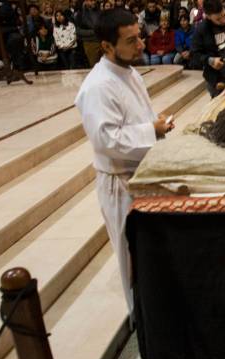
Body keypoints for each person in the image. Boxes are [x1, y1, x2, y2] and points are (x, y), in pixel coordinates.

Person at [74, 8, 175, 313]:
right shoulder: (97, 87)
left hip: (142, 174)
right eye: (131, 41)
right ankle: (142, 325)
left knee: (151, 261)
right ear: (106, 46)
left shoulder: (128, 71)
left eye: (140, 36)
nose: (141, 45)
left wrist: (152, 124)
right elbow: (106, 140)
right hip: (121, 184)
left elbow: (131, 119)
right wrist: (150, 130)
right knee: (133, 263)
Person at [76, 0, 101, 66]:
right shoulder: (80, 14)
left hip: (100, 42)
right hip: (89, 43)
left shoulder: (98, 11)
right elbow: (78, 31)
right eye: (91, 0)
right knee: (94, 66)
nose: (93, 2)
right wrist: (93, 32)